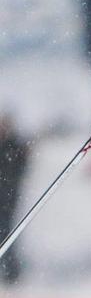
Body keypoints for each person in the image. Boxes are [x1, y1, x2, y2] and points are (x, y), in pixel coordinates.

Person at [0, 113, 30, 284]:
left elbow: (22, 164)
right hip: (7, 192)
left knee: (7, 230)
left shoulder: (14, 145)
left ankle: (12, 272)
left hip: (9, 196)